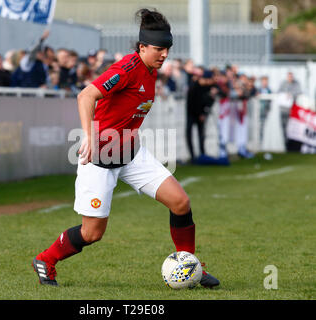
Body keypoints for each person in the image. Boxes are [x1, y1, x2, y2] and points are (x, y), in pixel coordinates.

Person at [32, 8, 220, 289]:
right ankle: (46, 259)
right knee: (92, 233)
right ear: (142, 47)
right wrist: (89, 135)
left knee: (181, 202)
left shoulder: (151, 69)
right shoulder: (126, 69)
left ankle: (189, 264)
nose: (165, 55)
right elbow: (86, 95)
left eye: (167, 49)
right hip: (99, 159)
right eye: (159, 49)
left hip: (132, 154)